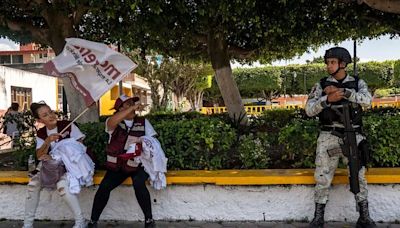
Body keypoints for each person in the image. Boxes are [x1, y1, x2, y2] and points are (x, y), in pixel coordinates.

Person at [305, 47, 376, 228]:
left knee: (359, 176)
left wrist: (345, 93)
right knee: (322, 176)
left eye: (332, 62)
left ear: (343, 64)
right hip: (329, 135)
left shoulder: (358, 82)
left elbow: (368, 100)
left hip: (353, 134)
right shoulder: (321, 85)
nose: (328, 66)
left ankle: (364, 217)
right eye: (327, 62)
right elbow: (309, 110)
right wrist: (327, 100)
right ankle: (318, 217)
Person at [88, 95, 156, 228]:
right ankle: (93, 221)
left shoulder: (143, 122)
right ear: (119, 109)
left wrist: (143, 143)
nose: (132, 106)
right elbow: (112, 123)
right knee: (104, 187)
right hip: (118, 166)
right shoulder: (111, 121)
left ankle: (149, 220)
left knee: (138, 183)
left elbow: (153, 142)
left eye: (132, 103)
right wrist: (131, 107)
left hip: (137, 164)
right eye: (127, 104)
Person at [23, 102, 87, 228]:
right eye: (45, 115)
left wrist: (59, 154)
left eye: (51, 112)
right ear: (40, 120)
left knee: (62, 187)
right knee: (33, 185)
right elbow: (39, 155)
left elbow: (80, 147)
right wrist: (47, 141)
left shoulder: (68, 125)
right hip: (51, 167)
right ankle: (27, 224)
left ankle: (80, 221)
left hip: (69, 165)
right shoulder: (41, 133)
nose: (51, 116)